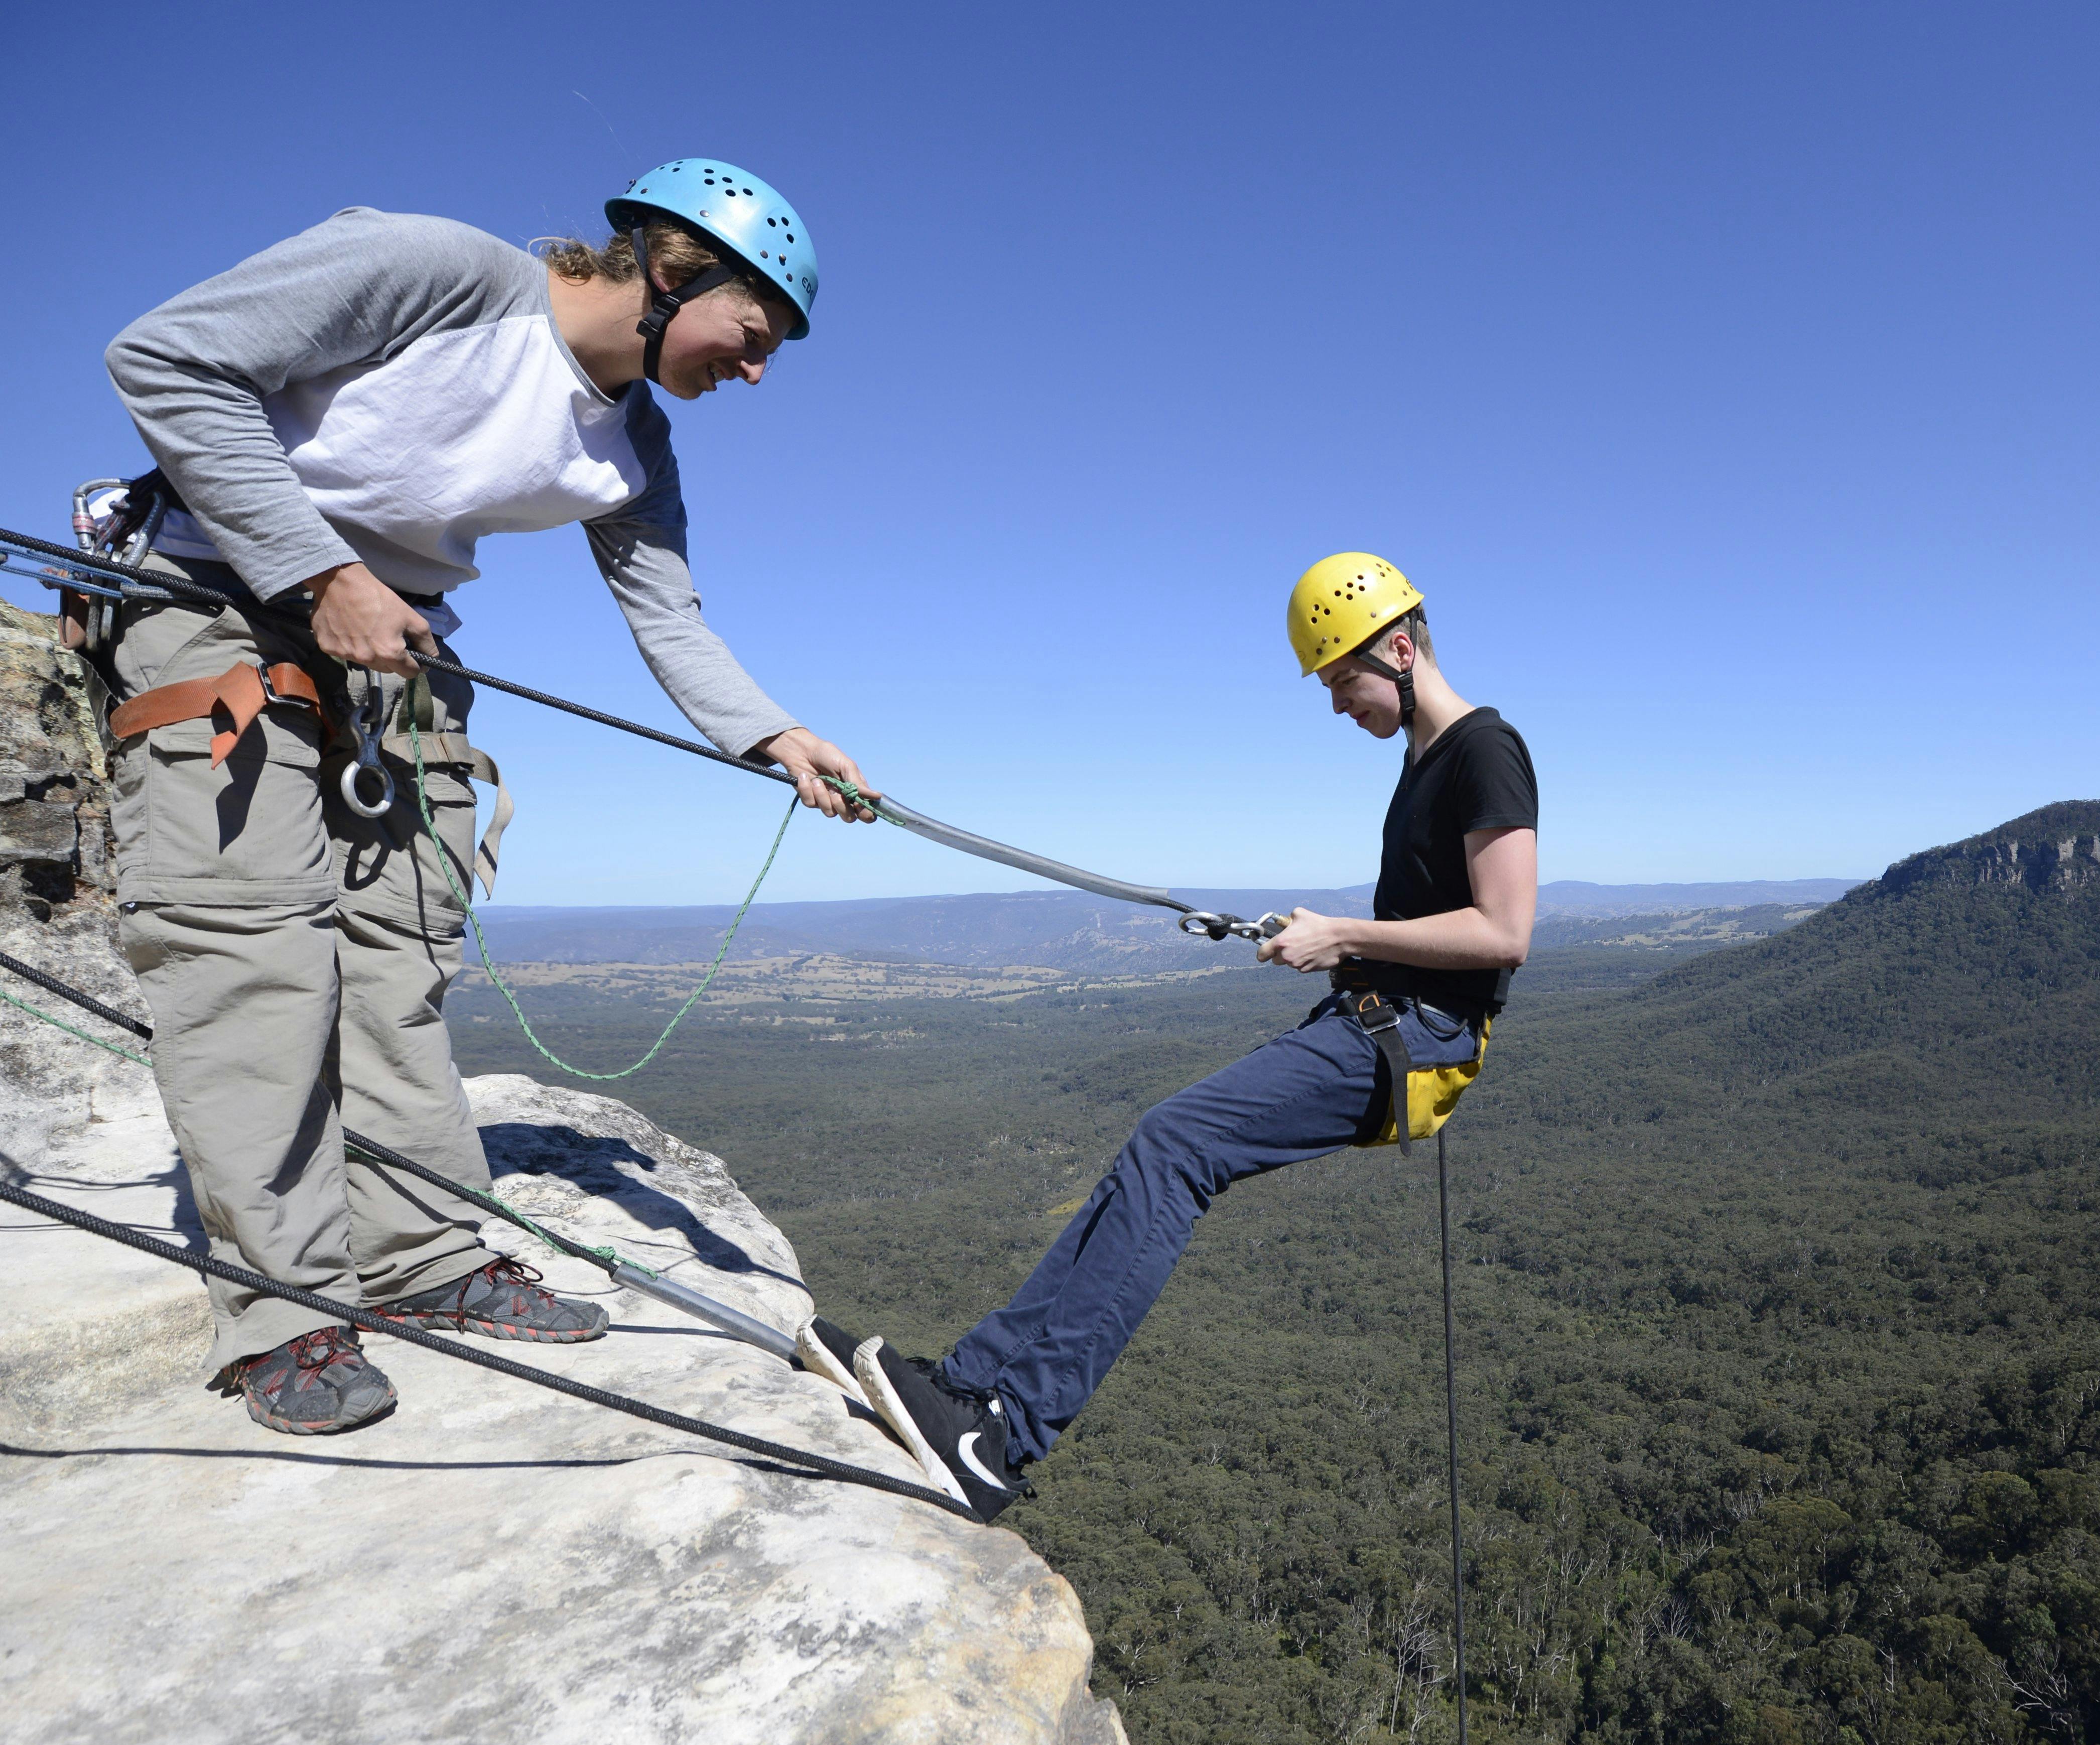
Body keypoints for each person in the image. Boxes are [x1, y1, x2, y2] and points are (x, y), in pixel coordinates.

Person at [79, 160, 876, 1437]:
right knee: (255, 961)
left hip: (399, 656)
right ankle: (280, 1305)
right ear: (672, 272)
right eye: (755, 332)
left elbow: (666, 614)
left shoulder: (638, 444)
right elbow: (166, 359)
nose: (758, 369)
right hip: (215, 612)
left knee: (402, 962)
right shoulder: (440, 271)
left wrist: (770, 733)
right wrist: (322, 571)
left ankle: (426, 1254)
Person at [829, 554, 1539, 1521]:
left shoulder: (1484, 749)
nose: (1337, 707)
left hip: (1424, 1036)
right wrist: (1340, 952)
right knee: (1153, 1148)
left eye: (1343, 681)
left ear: (1402, 650)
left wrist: (1343, 933)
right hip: (1384, 1016)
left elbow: (1506, 933)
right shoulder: (1422, 763)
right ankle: (966, 1384)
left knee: (1176, 1147)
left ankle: (1005, 1435)